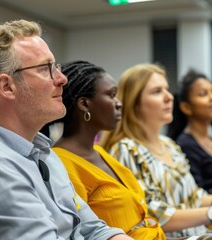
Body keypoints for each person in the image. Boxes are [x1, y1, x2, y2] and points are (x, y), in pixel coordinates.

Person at [0, 20, 131, 240]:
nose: (62, 79)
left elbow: (92, 229)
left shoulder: (41, 153)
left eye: (56, 67)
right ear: (6, 86)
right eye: (45, 69)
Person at [100, 63, 212, 238]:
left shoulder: (169, 144)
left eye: (167, 90)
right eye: (157, 91)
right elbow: (151, 216)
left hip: (203, 232)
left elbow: (195, 197)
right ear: (134, 103)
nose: (168, 97)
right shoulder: (126, 150)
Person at [50, 60, 170, 239]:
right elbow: (79, 233)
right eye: (112, 95)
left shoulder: (100, 152)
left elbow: (139, 226)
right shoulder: (61, 163)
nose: (119, 103)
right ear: (85, 104)